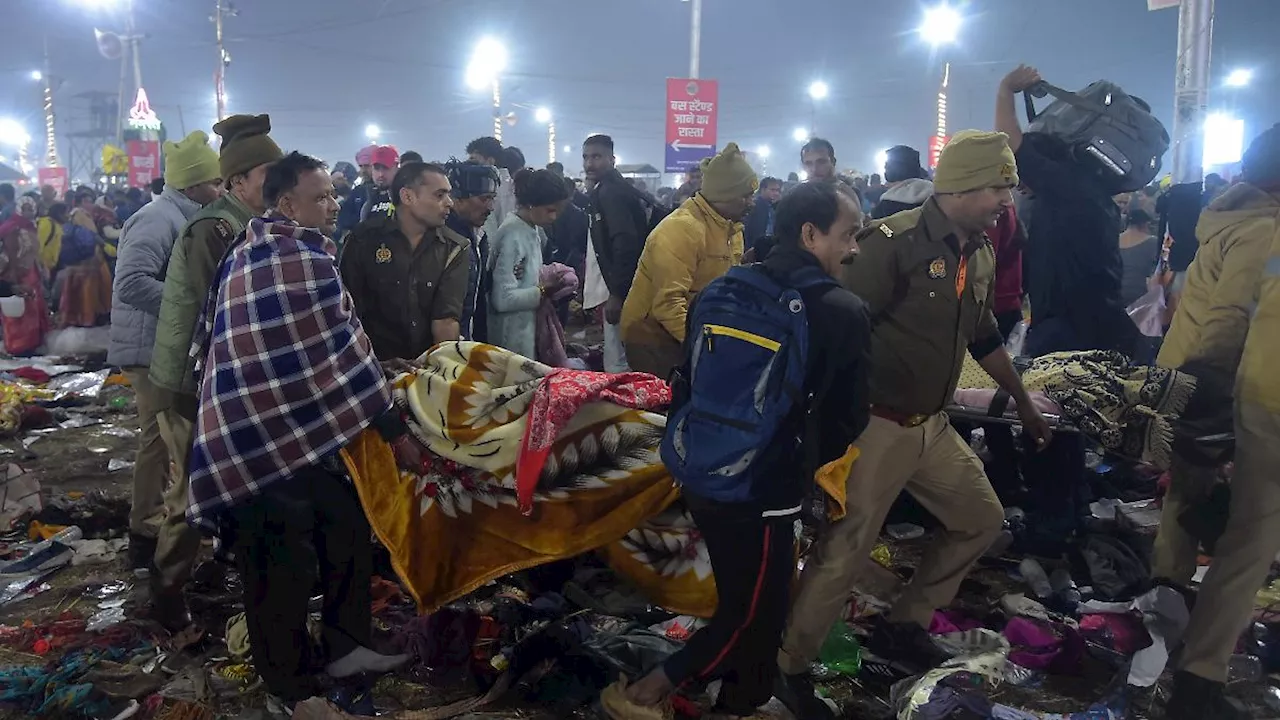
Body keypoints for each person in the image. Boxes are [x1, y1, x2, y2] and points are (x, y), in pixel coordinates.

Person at [776, 131, 1053, 716]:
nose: (1008, 197)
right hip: (875, 426)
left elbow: (984, 335)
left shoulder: (977, 250)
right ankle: (785, 666)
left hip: (933, 425)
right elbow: (835, 324)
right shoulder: (890, 245)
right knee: (844, 552)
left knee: (980, 518)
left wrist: (1023, 401)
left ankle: (905, 623)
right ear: (961, 186)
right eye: (999, 186)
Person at [603, 181, 872, 720]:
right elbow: (849, 415)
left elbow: (689, 379)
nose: (855, 249)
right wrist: (807, 467)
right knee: (754, 614)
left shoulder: (723, 288)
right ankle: (646, 691)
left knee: (747, 598)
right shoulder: (842, 310)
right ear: (810, 233)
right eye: (848, 236)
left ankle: (741, 702)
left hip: (701, 465)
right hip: (767, 485)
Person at [185, 152, 411, 712]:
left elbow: (331, 352)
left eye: (334, 195)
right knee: (276, 560)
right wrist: (391, 426)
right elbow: (344, 353)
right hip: (250, 438)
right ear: (287, 204)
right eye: (322, 197)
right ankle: (286, 682)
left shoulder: (276, 250)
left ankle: (347, 644)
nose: (334, 205)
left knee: (345, 520)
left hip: (286, 430)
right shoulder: (288, 259)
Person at [1162, 123, 1280, 720]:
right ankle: (1196, 675)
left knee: (1186, 510)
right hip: (1242, 394)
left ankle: (1165, 630)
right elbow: (1233, 317)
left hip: (1199, 384)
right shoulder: (1263, 231)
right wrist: (1211, 398)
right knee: (1247, 542)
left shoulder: (1227, 219)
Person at [147, 113, 283, 629]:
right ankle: (166, 592)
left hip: (231, 380)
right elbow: (220, 316)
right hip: (190, 383)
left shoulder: (253, 224)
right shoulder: (214, 229)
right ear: (236, 181)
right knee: (188, 493)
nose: (277, 182)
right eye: (267, 173)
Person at [108, 130, 223, 572]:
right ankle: (146, 532)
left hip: (161, 345)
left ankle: (154, 528)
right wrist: (186, 301)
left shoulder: (182, 216)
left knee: (164, 441)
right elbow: (131, 283)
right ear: (192, 185)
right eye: (214, 183)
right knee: (160, 442)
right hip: (148, 349)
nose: (219, 191)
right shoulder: (158, 219)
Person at [995, 64, 1142, 358]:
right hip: (1094, 326)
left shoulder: (1070, 189)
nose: (1017, 183)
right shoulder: (1089, 194)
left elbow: (1010, 146)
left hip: (1072, 337)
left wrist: (1005, 90)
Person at [620, 144, 757, 379]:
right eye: (745, 196)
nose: (751, 203)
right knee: (674, 406)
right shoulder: (681, 230)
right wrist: (710, 347)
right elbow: (668, 305)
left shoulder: (732, 229)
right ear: (723, 196)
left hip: (693, 329)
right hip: (652, 335)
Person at [341, 162, 470, 361]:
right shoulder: (364, 240)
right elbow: (348, 312)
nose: (449, 203)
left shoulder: (454, 248)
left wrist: (444, 373)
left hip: (425, 367)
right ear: (408, 196)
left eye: (449, 195)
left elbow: (445, 320)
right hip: (373, 366)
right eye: (439, 195)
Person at [487, 168, 570, 359]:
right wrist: (542, 291)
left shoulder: (530, 229)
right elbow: (502, 299)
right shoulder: (513, 234)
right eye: (550, 210)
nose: (553, 217)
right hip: (511, 335)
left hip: (525, 328)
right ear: (532, 204)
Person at [584, 134, 646, 372]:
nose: (590, 163)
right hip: (619, 288)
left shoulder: (611, 193)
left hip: (622, 292)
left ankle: (623, 407)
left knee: (618, 362)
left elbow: (625, 243)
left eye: (597, 157)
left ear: (612, 159)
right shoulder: (607, 189)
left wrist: (617, 294)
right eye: (586, 157)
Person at [443, 160, 500, 341]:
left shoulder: (479, 236)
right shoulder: (445, 242)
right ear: (457, 198)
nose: (490, 207)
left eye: (492, 198)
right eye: (484, 199)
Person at [0, 197, 50, 355]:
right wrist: (13, 279)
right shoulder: (12, 228)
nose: (29, 212)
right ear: (19, 209)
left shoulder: (30, 226)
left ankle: (32, 343)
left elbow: (34, 253)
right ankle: (19, 346)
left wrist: (41, 269)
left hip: (31, 274)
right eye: (26, 208)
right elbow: (11, 255)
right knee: (18, 312)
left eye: (31, 208)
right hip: (17, 276)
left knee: (32, 310)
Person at [57, 190, 115, 327]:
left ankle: (81, 318)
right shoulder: (81, 215)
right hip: (89, 259)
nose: (91, 204)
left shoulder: (74, 214)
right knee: (89, 292)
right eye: (89, 201)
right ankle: (87, 318)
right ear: (83, 202)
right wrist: (104, 246)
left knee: (79, 290)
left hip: (79, 261)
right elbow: (91, 236)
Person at [468, 136, 516, 236]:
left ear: (490, 161)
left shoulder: (488, 190)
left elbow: (488, 233)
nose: (469, 166)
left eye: (474, 161)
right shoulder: (513, 186)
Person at [871, 145, 934, 219]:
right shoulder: (936, 199)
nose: (885, 166)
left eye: (887, 164)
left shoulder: (885, 206)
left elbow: (882, 229)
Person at [1118, 208, 1162, 308]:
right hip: (1139, 296)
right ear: (1144, 224)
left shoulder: (1113, 239)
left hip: (1114, 293)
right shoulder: (1153, 242)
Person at [336, 145, 375, 240]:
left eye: (367, 166)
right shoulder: (358, 191)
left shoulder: (389, 190)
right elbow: (343, 217)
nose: (363, 171)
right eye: (361, 166)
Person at [743, 176, 782, 252]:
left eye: (778, 190)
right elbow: (747, 230)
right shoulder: (753, 206)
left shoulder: (776, 207)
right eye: (772, 190)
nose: (776, 193)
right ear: (763, 190)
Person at [361, 145, 398, 222]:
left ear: (397, 168)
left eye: (386, 168)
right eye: (377, 169)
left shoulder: (407, 198)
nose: (381, 174)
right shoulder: (369, 200)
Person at [36, 202, 66, 279]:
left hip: (49, 268)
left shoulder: (57, 225)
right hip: (41, 269)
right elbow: (38, 246)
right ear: (59, 214)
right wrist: (42, 266)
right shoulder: (47, 224)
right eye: (66, 213)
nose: (68, 216)